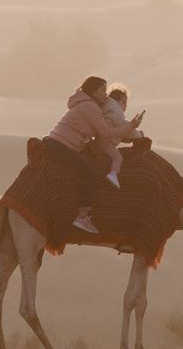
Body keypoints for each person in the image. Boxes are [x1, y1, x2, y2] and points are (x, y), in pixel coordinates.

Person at [46, 75, 141, 235]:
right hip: (61, 146)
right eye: (103, 90)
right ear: (93, 92)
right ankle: (83, 216)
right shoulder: (90, 107)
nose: (106, 94)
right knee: (88, 174)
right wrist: (131, 126)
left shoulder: (87, 105)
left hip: (60, 143)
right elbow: (106, 132)